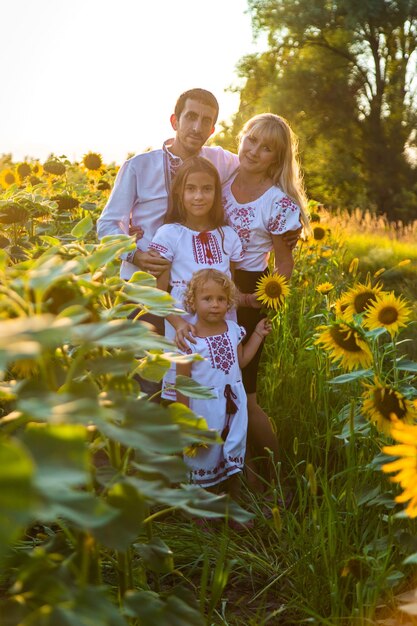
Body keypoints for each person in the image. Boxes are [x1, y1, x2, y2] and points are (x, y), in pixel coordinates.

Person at [220, 112, 311, 491]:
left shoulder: (277, 203)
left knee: (245, 392)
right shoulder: (223, 179)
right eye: (250, 140)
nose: (254, 151)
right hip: (209, 281)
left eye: (266, 147)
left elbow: (284, 262)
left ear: (277, 158)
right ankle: (245, 477)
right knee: (217, 388)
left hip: (248, 290)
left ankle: (279, 477)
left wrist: (261, 302)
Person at [96, 88, 239, 281]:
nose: (197, 127)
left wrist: (288, 219)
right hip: (142, 278)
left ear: (212, 129)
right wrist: (135, 255)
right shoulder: (139, 166)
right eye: (191, 116)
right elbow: (107, 224)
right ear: (174, 121)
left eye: (206, 121)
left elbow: (260, 168)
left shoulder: (220, 160)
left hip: (195, 286)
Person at [149, 155, 243, 400]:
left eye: (206, 189)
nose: (198, 196)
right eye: (191, 189)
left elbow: (231, 287)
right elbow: (157, 294)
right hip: (182, 321)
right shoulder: (168, 234)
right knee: (184, 395)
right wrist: (179, 324)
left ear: (216, 193)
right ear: (180, 192)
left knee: (219, 391)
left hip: (219, 322)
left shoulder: (228, 235)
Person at [176, 269, 271, 498]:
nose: (215, 305)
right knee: (204, 457)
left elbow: (242, 361)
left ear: (229, 303)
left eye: (221, 299)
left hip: (233, 407)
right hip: (204, 409)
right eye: (207, 299)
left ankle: (234, 506)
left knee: (233, 452)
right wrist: (185, 419)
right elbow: (182, 382)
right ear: (193, 301)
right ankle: (201, 510)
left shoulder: (233, 331)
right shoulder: (190, 339)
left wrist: (257, 334)